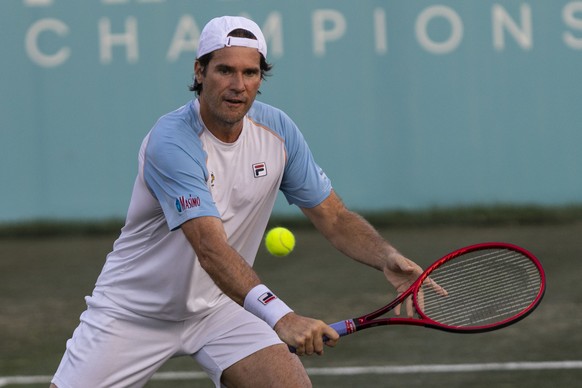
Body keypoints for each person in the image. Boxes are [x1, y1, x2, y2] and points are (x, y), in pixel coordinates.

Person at [50, 15, 424, 388]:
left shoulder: (278, 131)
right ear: (199, 72)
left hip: (222, 308)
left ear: (261, 78)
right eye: (225, 70)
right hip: (134, 312)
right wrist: (282, 318)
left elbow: (335, 217)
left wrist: (385, 256)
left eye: (250, 73)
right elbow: (210, 248)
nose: (237, 85)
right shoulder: (172, 142)